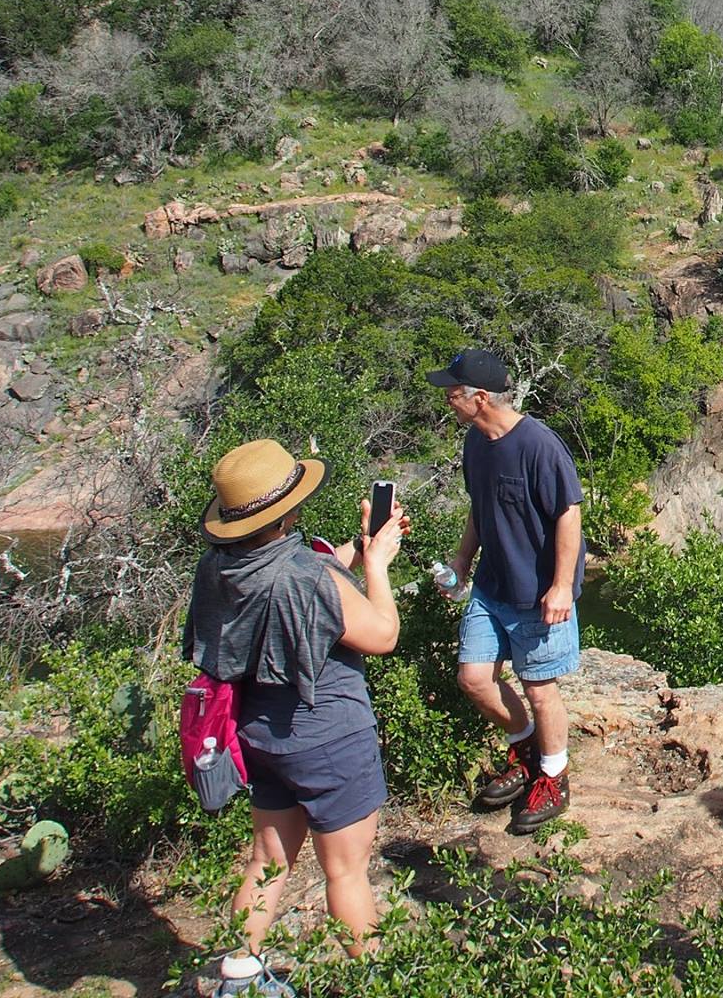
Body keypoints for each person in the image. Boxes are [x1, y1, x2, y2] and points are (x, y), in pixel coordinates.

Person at [184, 438, 406, 998]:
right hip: (330, 736)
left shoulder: (219, 568)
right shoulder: (308, 575)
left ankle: (241, 974)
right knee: (346, 872)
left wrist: (346, 559)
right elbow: (382, 634)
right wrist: (376, 564)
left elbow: (283, 596)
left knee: (267, 861)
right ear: (287, 510)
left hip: (259, 736)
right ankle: (374, 983)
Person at [432, 347, 586, 835]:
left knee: (541, 689)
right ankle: (525, 752)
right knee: (474, 679)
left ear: (479, 398)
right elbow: (481, 508)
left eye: (453, 393)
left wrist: (562, 586)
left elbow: (568, 513)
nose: (447, 401)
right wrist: (461, 559)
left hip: (536, 595)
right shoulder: (475, 443)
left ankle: (554, 778)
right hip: (491, 586)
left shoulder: (538, 445)